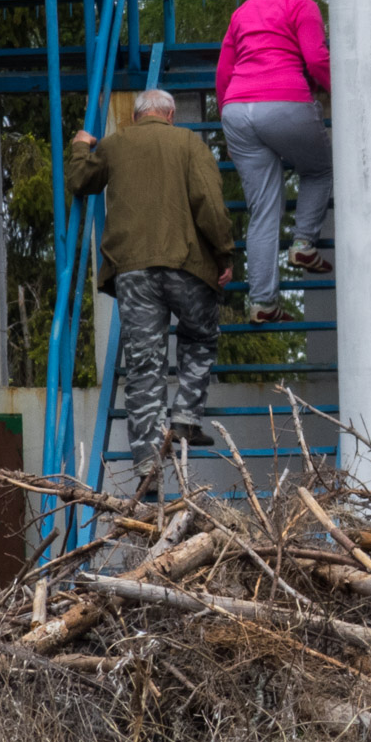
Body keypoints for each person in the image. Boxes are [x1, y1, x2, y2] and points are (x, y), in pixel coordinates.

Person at [66, 88, 234, 472]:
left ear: (138, 116)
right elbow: (209, 201)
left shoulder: (113, 144)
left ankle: (147, 462)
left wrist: (79, 145)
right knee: (200, 335)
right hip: (187, 266)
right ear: (171, 114)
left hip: (134, 272)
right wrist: (224, 253)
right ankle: (187, 419)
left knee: (144, 364)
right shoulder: (188, 142)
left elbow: (79, 179)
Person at [216, 0, 333, 324]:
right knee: (319, 169)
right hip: (282, 101)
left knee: (263, 210)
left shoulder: (242, 11)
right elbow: (316, 58)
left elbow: (224, 71)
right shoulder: (303, 6)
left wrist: (226, 118)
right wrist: (341, 92)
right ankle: (303, 243)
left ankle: (263, 302)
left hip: (237, 108)